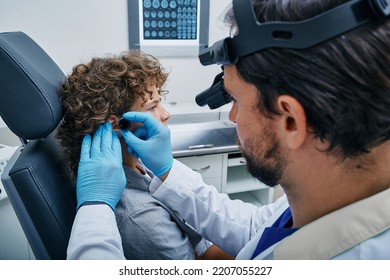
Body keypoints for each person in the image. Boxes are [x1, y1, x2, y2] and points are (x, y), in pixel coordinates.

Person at [67, 0, 390, 260]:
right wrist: (167, 172)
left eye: (234, 99)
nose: (232, 117)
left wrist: (94, 210)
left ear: (291, 120)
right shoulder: (322, 202)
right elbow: (253, 229)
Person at [59, 50, 232, 260]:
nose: (166, 114)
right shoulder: (140, 218)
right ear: (116, 124)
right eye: (153, 107)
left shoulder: (139, 161)